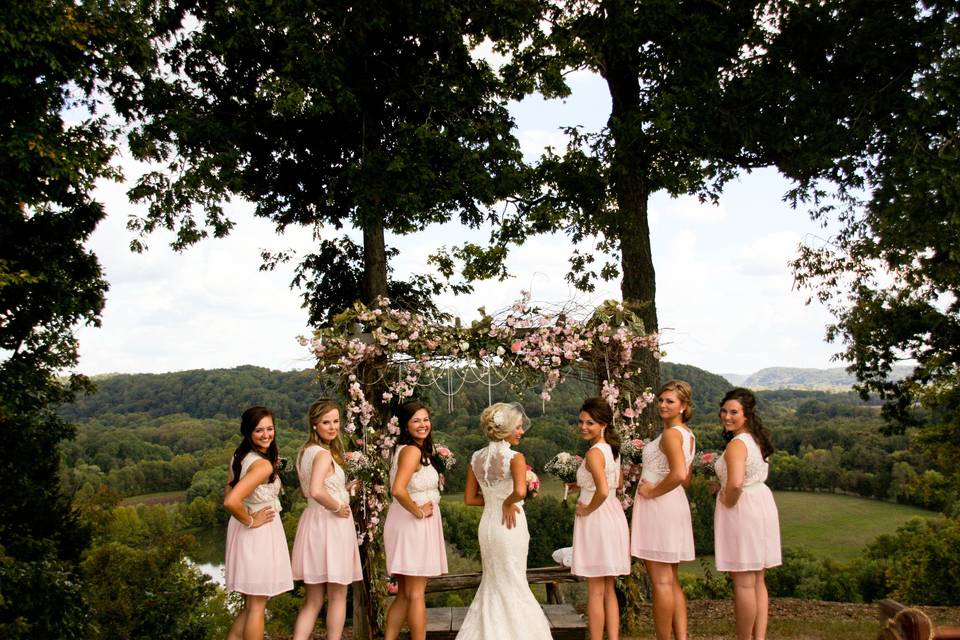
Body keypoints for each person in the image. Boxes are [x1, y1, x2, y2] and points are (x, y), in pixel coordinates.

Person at [455, 402, 553, 640]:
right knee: (514, 579)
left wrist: (494, 503)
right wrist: (508, 503)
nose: (521, 432)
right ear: (506, 429)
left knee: (494, 580)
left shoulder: (475, 457)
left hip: (488, 525)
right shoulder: (515, 457)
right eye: (518, 427)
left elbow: (469, 499)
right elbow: (520, 491)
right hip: (510, 525)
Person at [290, 399, 363, 640]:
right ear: (314, 425)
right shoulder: (322, 455)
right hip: (331, 525)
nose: (332, 427)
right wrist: (338, 506)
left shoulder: (304, 453)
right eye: (326, 422)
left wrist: (344, 488)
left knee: (312, 600)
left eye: (336, 421)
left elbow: (305, 492)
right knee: (338, 596)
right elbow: (316, 491)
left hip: (312, 523)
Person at [630, 380, 696, 640]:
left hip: (659, 506)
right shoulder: (687, 435)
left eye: (670, 401)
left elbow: (679, 474)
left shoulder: (671, 435)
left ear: (684, 406)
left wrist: (650, 491)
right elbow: (686, 478)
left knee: (661, 582)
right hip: (675, 504)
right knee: (671, 580)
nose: (663, 405)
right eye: (661, 400)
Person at [713, 388, 781, 640]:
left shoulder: (737, 445)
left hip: (743, 509)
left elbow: (736, 483)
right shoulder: (754, 439)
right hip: (761, 503)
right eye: (724, 411)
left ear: (746, 415)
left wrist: (726, 500)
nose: (727, 417)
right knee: (757, 579)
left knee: (743, 582)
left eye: (734, 412)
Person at [223, 406, 294, 640]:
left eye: (270, 428)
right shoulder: (261, 465)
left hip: (244, 534)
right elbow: (231, 501)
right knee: (257, 606)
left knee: (250, 604)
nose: (266, 435)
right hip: (257, 535)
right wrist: (252, 521)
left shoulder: (240, 456)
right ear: (248, 432)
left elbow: (229, 490)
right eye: (259, 430)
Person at [383, 401, 448, 640]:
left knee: (405, 594)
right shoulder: (411, 451)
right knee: (417, 594)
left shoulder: (408, 450)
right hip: (413, 524)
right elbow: (398, 490)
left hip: (405, 522)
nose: (423, 425)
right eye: (416, 421)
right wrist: (419, 512)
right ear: (405, 426)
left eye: (425, 419)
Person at [570, 397, 631, 640]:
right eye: (581, 421)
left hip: (597, 516)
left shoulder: (595, 452)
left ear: (604, 424)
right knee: (607, 587)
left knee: (595, 589)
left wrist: (586, 509)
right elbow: (617, 483)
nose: (583, 427)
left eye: (590, 423)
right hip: (613, 515)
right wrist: (581, 485)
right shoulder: (611, 450)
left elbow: (603, 490)